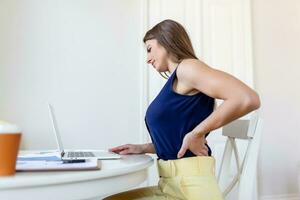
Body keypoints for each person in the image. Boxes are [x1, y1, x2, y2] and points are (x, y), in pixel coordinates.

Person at [104, 19, 260, 200]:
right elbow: (177, 141)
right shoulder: (177, 79)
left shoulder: (187, 68)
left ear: (166, 41)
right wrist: (142, 148)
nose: (147, 59)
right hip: (171, 186)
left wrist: (197, 132)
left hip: (191, 189)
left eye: (149, 49)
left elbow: (247, 98)